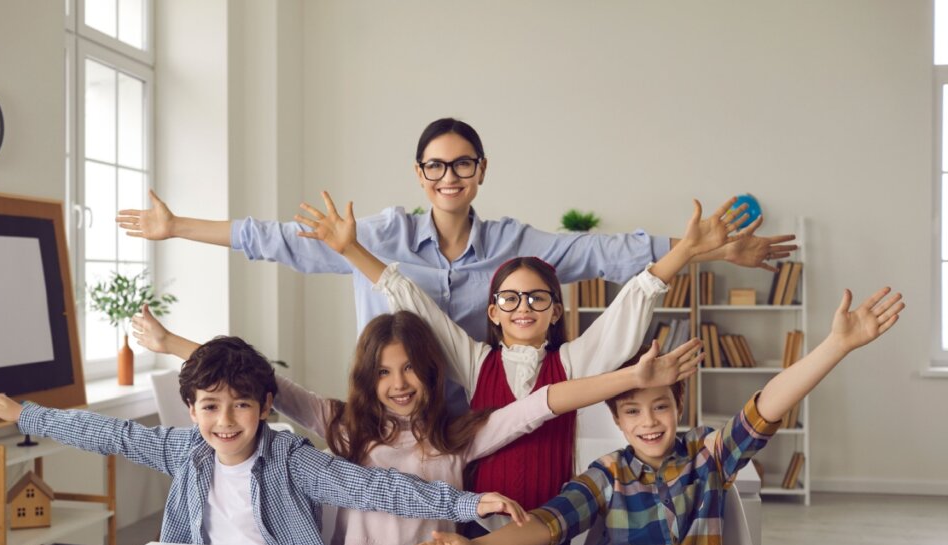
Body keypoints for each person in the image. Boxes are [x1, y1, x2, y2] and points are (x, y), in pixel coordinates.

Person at [291, 191, 744, 545]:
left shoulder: (571, 363)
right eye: (509, 298)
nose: (523, 307)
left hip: (547, 527)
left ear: (556, 310)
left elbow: (628, 309)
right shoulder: (474, 361)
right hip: (475, 527)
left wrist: (683, 251)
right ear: (492, 311)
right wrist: (351, 249)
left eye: (536, 298)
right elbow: (410, 299)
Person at [116, 117, 795, 345]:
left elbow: (602, 253)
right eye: (436, 166)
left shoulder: (512, 242)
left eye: (461, 164)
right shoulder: (373, 236)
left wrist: (696, 247)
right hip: (387, 406)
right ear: (420, 175)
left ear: (480, 171)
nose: (449, 176)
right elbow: (273, 239)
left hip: (475, 405)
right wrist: (176, 226)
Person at [407, 286, 905, 545]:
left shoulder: (707, 458)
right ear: (616, 419)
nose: (649, 422)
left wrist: (836, 346)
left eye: (661, 407)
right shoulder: (607, 474)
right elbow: (547, 523)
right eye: (633, 412)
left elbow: (766, 407)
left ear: (678, 406)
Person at [129, 308, 702, 545]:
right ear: (366, 377)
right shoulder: (343, 425)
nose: (397, 383)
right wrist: (173, 342)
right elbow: (256, 377)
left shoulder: (460, 435)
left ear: (430, 372)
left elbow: (541, 405)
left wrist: (627, 377)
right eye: (382, 371)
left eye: (408, 369)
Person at [0, 336, 533, 545]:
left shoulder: (292, 461)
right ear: (192, 411)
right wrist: (27, 415)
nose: (226, 422)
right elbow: (111, 433)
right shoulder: (182, 451)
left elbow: (373, 485)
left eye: (241, 405)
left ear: (266, 406)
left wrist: (463, 504)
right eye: (210, 407)